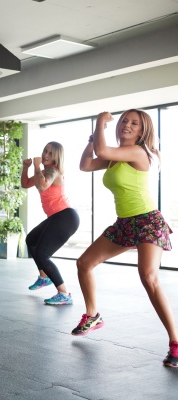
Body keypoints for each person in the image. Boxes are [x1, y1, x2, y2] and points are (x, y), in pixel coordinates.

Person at [75, 109, 177, 368]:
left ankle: (176, 343)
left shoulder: (139, 152)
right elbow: (85, 165)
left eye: (134, 123)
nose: (127, 125)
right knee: (84, 263)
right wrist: (92, 138)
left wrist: (99, 122)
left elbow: (103, 150)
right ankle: (93, 315)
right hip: (125, 224)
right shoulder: (112, 156)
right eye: (124, 121)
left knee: (149, 278)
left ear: (142, 132)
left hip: (147, 221)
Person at [21, 142, 79, 305]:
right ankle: (44, 276)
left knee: (42, 254)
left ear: (57, 157)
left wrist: (37, 166)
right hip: (56, 217)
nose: (46, 155)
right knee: (31, 240)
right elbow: (25, 184)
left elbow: (42, 185)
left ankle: (64, 293)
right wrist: (26, 167)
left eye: (50, 153)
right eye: (45, 151)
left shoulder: (53, 171)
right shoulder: (45, 171)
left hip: (65, 217)